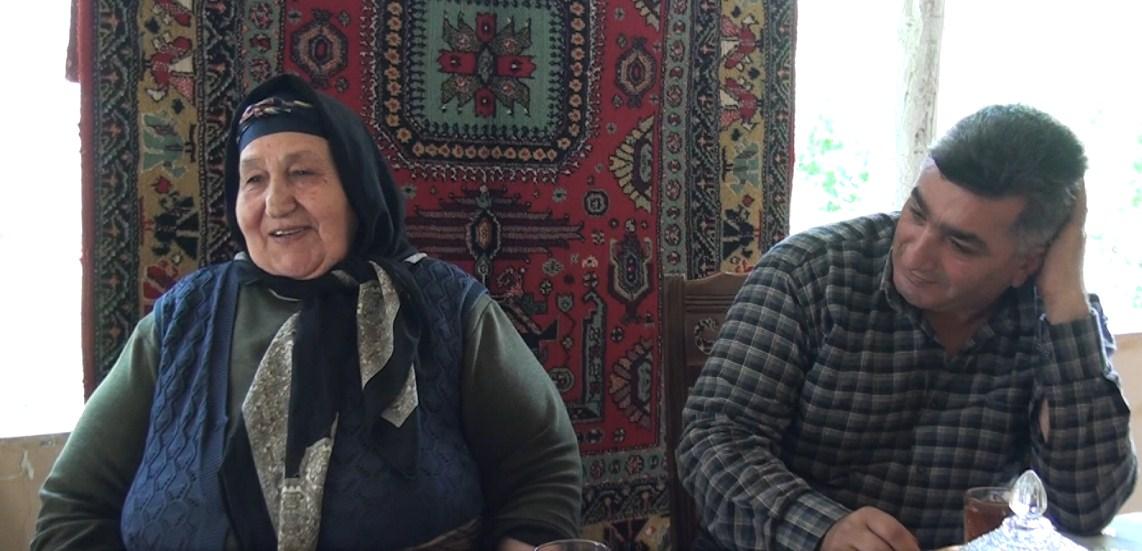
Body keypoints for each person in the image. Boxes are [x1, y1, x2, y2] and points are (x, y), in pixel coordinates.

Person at [32, 74, 582, 551]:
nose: (276, 202)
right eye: (254, 179)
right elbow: (74, 504)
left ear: (357, 190)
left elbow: (542, 466)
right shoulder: (182, 319)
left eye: (302, 174)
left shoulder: (443, 306)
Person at [677, 104, 1137, 550]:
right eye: (917, 213)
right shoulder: (811, 273)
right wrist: (822, 531)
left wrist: (1066, 297)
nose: (916, 254)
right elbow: (713, 442)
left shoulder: (1053, 317)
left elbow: (1084, 509)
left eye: (959, 245)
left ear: (1026, 263)